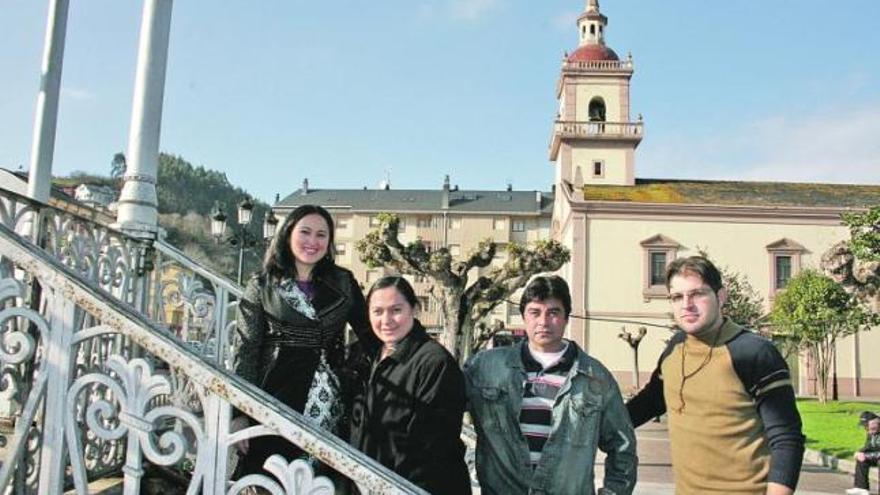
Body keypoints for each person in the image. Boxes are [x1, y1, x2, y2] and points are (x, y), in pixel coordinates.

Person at [626, 256, 805, 495]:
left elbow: (787, 438)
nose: (686, 304)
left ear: (721, 296)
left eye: (697, 294)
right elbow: (650, 402)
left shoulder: (754, 352)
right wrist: (590, 426)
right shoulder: (674, 348)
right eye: (677, 297)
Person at [231, 205, 377, 481]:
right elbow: (246, 350)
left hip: (331, 398)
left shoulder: (343, 282)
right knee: (268, 477)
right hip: (273, 395)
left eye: (322, 235)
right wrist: (239, 413)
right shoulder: (262, 285)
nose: (313, 241)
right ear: (287, 235)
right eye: (305, 232)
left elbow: (370, 332)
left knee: (319, 479)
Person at [464, 275, 637, 495]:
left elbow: (623, 447)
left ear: (566, 317)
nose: (543, 322)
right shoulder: (485, 367)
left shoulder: (595, 378)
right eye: (535, 312)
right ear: (524, 316)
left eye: (553, 313)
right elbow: (442, 416)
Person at [350, 275, 471, 494]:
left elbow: (431, 449)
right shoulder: (365, 356)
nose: (386, 320)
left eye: (396, 310)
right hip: (370, 483)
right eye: (377, 311)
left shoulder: (434, 363)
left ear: (414, 309)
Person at [848, 414, 880, 494]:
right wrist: (860, 452)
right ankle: (861, 487)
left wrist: (867, 455)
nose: (866, 429)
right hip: (876, 455)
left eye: (866, 425)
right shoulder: (872, 432)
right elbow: (868, 446)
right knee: (861, 458)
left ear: (875, 423)